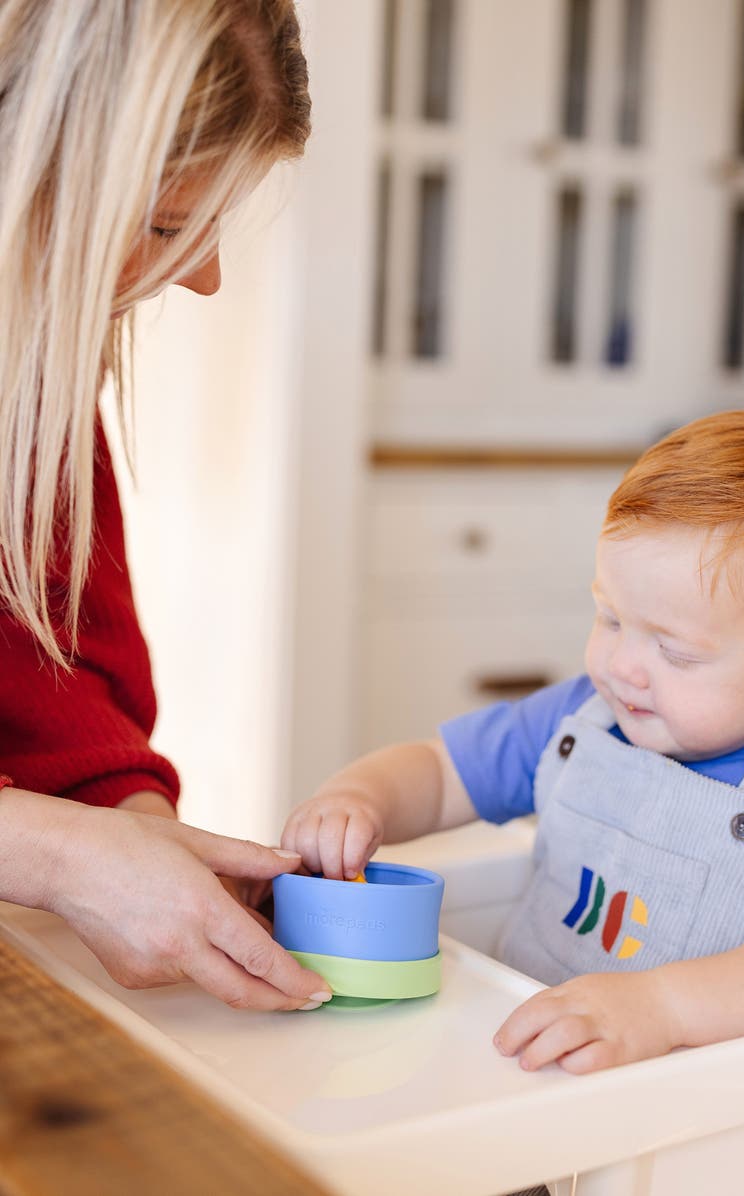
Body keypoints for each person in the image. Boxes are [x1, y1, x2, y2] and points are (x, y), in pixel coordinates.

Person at [0, 0, 332, 1012]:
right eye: (167, 226)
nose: (207, 277)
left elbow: (55, 670)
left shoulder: (36, 380)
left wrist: (138, 827)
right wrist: (63, 856)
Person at [282, 407, 744, 1068]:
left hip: (683, 1110)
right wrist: (358, 798)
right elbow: (442, 773)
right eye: (610, 619)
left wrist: (664, 1006)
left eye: (676, 652)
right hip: (512, 1056)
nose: (621, 666)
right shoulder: (581, 716)